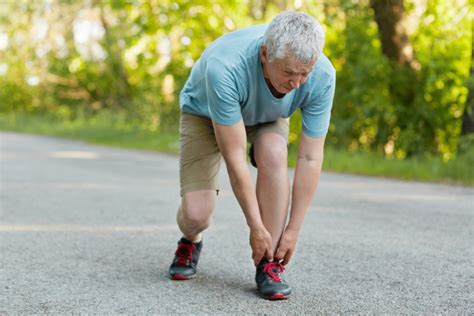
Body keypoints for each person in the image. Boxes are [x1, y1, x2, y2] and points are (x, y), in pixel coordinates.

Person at [168, 11, 335, 300]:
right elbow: (234, 158)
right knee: (196, 215)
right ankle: (191, 239)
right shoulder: (225, 66)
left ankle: (267, 264)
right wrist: (254, 227)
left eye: (304, 72)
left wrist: (293, 230)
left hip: (267, 116)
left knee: (274, 150)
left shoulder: (322, 74)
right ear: (264, 54)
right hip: (205, 114)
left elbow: (310, 158)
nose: (297, 83)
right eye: (288, 72)